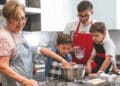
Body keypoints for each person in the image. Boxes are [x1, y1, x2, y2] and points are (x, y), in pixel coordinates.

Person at [0, 0, 71, 86]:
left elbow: (41, 50)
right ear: (7, 19)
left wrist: (62, 60)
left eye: (23, 18)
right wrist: (24, 81)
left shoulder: (18, 33)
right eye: (16, 19)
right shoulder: (4, 37)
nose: (21, 23)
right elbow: (3, 66)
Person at [63, 0, 110, 64]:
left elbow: (108, 48)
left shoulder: (99, 26)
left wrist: (113, 65)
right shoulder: (70, 25)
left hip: (93, 65)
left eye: (86, 15)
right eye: (80, 16)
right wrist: (70, 49)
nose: (83, 19)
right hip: (74, 65)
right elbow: (62, 46)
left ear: (92, 12)